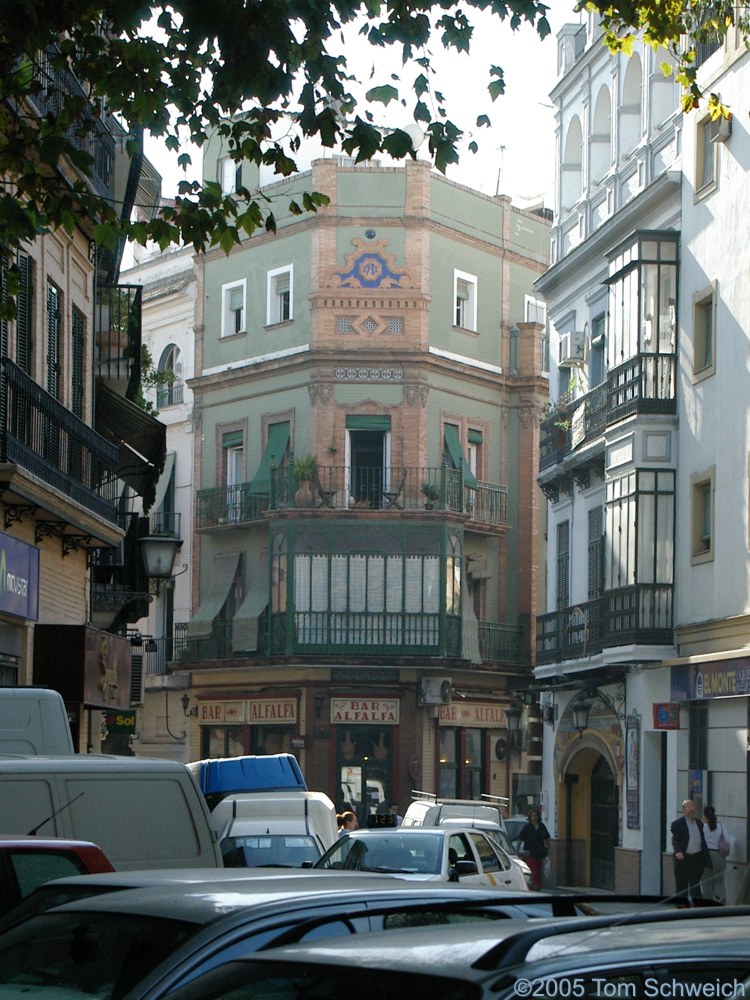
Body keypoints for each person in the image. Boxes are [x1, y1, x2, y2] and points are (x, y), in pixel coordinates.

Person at [671, 799, 712, 901]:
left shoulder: (699, 823)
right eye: (688, 807)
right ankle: (681, 909)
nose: (691, 809)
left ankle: (697, 909)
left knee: (695, 886)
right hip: (683, 859)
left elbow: (702, 841)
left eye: (692, 806)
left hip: (696, 859)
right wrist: (678, 851)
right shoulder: (677, 824)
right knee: (682, 888)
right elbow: (675, 839)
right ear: (683, 810)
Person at [701, 805, 731, 903]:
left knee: (706, 882)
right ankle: (720, 897)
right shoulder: (721, 826)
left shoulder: (702, 827)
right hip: (719, 856)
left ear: (704, 816)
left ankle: (707, 902)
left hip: (706, 856)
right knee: (719, 880)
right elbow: (728, 840)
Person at [515, 807, 550, 890]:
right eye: (532, 816)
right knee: (534, 870)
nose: (534, 817)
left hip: (541, 852)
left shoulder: (542, 827)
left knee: (539, 869)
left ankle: (534, 884)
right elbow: (520, 838)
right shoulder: (527, 828)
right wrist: (517, 850)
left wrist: (549, 847)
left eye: (535, 815)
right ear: (530, 817)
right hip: (530, 853)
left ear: (538, 817)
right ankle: (537, 885)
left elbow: (546, 838)